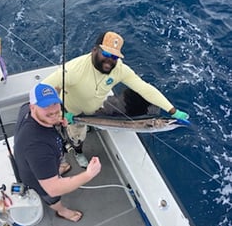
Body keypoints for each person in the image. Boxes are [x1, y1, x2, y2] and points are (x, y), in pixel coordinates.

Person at [43, 31, 189, 167]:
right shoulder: (74, 69)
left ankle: (90, 125)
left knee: (95, 122)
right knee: (78, 137)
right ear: (94, 50)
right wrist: (61, 112)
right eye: (106, 53)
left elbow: (145, 89)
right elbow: (43, 90)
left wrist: (173, 111)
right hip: (72, 113)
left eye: (115, 56)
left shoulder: (119, 69)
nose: (110, 60)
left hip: (97, 109)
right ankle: (78, 152)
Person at [14, 83, 101, 222]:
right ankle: (62, 211)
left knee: (55, 165)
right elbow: (54, 189)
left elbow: (49, 114)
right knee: (52, 197)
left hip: (46, 159)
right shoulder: (37, 148)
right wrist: (89, 174)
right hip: (37, 177)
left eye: (54, 104)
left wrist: (56, 120)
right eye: (45, 107)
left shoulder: (26, 109)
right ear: (33, 107)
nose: (53, 111)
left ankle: (58, 170)